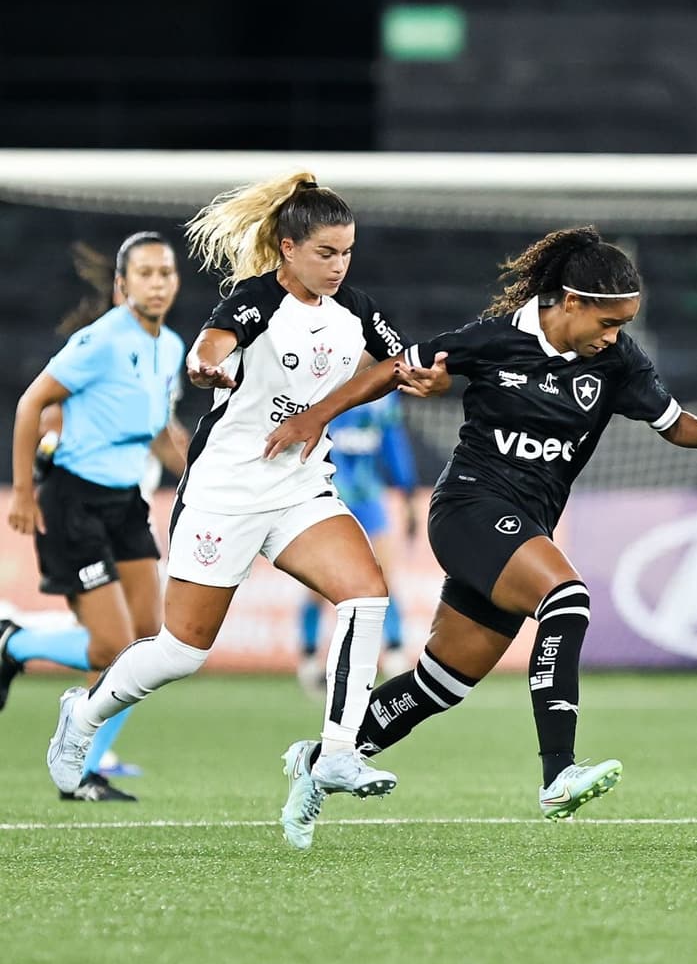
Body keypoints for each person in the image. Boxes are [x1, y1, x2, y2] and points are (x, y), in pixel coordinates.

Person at [265, 226, 697, 847]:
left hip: (524, 527)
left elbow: (675, 425)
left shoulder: (616, 360)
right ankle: (558, 774)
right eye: (608, 322)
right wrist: (318, 414)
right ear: (572, 303)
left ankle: (319, 761)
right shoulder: (493, 339)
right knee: (568, 600)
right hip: (470, 507)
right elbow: (396, 367)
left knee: (441, 683)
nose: (615, 336)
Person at [43, 171, 449, 846]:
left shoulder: (355, 306)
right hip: (226, 491)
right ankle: (81, 715)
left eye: (348, 252)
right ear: (287, 248)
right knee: (181, 651)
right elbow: (211, 349)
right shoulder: (254, 300)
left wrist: (402, 382)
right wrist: (208, 368)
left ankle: (337, 750)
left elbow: (391, 361)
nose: (339, 265)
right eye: (326, 252)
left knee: (366, 593)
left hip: (296, 489)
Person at [4, 231, 185, 801]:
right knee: (110, 647)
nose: (157, 282)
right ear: (122, 284)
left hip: (124, 502)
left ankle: (86, 767)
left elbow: (156, 427)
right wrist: (25, 494)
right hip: (72, 500)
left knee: (150, 644)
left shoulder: (173, 347)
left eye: (165, 273)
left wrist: (194, 471)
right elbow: (32, 402)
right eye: (146, 273)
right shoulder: (102, 341)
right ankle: (11, 643)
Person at [297, 394, 418, 696]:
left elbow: (393, 442)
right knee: (317, 583)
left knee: (384, 576)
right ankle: (309, 657)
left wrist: (407, 492)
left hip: (368, 495)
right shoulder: (329, 381)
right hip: (329, 493)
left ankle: (394, 653)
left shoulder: (385, 396)